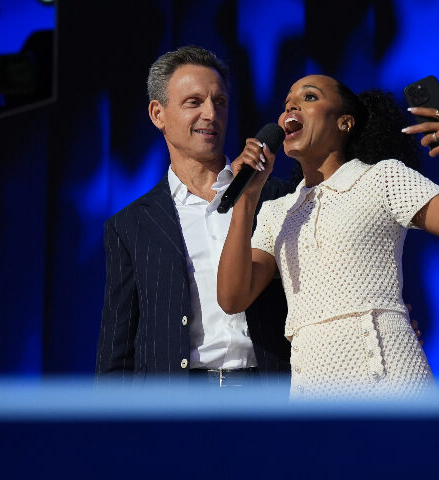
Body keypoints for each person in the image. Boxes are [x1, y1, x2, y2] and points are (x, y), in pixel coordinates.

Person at [217, 75, 439, 399]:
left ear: (345, 123)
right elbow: (232, 298)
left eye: (310, 97)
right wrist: (246, 201)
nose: (291, 107)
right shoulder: (276, 212)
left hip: (391, 384)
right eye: (286, 104)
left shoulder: (382, 178)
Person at [95, 46, 293, 385]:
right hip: (176, 405)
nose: (210, 115)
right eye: (193, 102)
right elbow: (118, 344)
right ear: (158, 114)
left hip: (268, 394)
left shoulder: (275, 197)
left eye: (219, 102)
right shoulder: (132, 225)